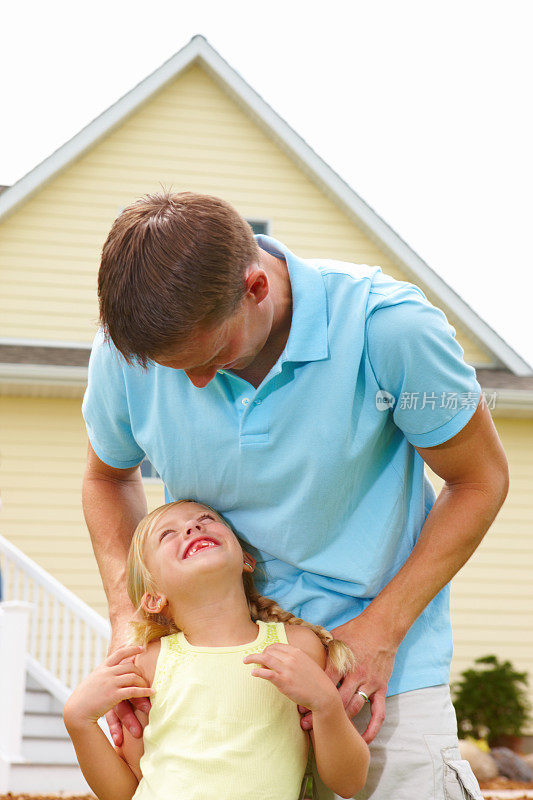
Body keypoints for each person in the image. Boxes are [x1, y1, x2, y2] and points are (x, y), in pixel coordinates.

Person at [82, 190, 509, 800]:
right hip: (214, 675)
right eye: (174, 368)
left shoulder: (392, 330)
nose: (193, 382)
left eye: (210, 357)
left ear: (256, 288)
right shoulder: (132, 352)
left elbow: (480, 480)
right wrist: (129, 623)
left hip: (375, 678)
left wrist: (380, 631)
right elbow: (106, 476)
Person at [63, 498, 369, 800]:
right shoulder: (147, 663)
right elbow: (126, 792)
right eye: (167, 534)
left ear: (247, 561)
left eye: (206, 520)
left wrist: (327, 704)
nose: (193, 527)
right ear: (154, 598)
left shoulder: (296, 648)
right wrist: (78, 721)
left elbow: (348, 783)